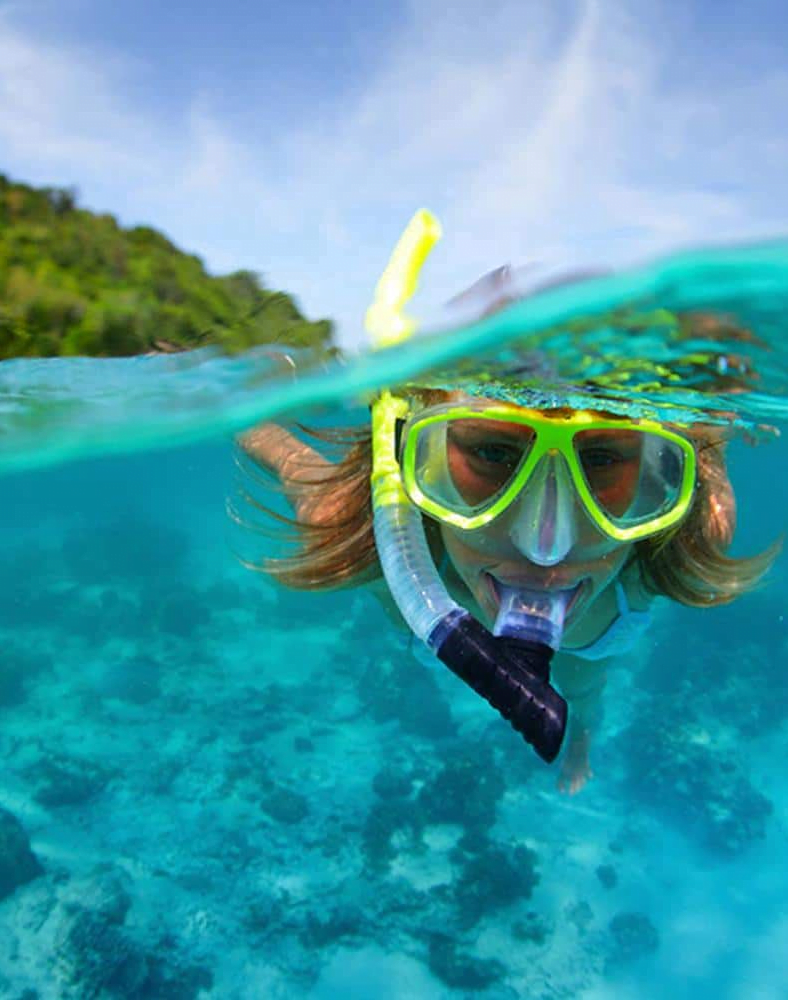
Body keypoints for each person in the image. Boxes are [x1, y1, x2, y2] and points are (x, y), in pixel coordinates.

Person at [236, 213, 778, 793]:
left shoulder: (694, 530)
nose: (545, 547)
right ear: (408, 455)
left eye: (601, 461)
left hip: (591, 643)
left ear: (659, 475)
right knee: (584, 673)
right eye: (493, 452)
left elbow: (704, 439)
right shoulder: (352, 522)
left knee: (586, 685)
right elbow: (269, 438)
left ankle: (583, 739)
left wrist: (708, 417)